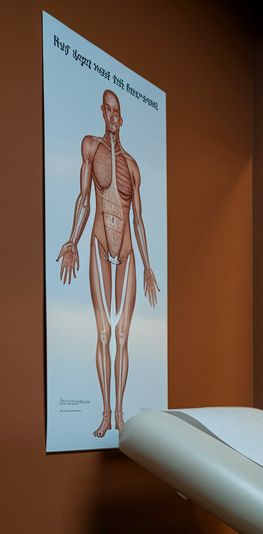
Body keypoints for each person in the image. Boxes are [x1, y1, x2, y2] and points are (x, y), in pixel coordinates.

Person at [56, 89, 159, 438]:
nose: (113, 116)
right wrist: (71, 239)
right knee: (102, 333)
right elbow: (83, 200)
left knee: (122, 335)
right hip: (100, 243)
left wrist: (147, 265)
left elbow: (140, 220)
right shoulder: (91, 147)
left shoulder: (132, 165)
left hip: (128, 251)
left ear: (122, 117)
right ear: (102, 112)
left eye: (118, 111)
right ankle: (104, 413)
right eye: (109, 110)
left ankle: (120, 413)